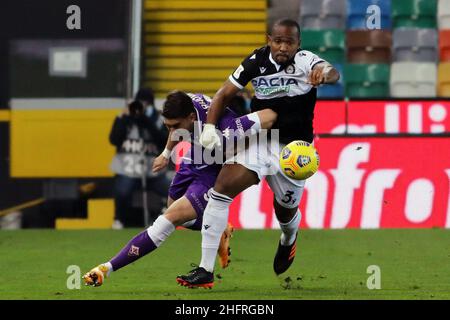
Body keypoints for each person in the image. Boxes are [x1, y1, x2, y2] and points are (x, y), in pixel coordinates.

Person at [177, 18, 340, 288]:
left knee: (285, 211)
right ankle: (205, 270)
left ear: (298, 44)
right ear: (269, 40)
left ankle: (289, 237)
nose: (282, 47)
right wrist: (208, 129)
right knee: (222, 187)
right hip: (261, 139)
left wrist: (325, 74)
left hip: (294, 149)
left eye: (289, 42)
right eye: (277, 40)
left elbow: (331, 71)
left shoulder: (305, 61)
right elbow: (223, 94)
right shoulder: (256, 61)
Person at [82, 90, 277, 287]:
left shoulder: (225, 127)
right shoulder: (184, 103)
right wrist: (166, 153)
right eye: (168, 126)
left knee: (169, 219)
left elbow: (268, 117)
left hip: (216, 167)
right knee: (173, 208)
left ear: (191, 117)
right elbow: (174, 127)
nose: (172, 131)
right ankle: (220, 230)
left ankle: (106, 269)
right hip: (196, 156)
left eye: (175, 126)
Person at [109, 88, 170, 229]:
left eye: (145, 103)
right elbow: (114, 139)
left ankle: (166, 218)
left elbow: (163, 140)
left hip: (153, 171)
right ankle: (119, 219)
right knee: (122, 190)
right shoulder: (125, 117)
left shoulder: (159, 119)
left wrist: (146, 122)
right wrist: (125, 119)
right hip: (128, 170)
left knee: (172, 189)